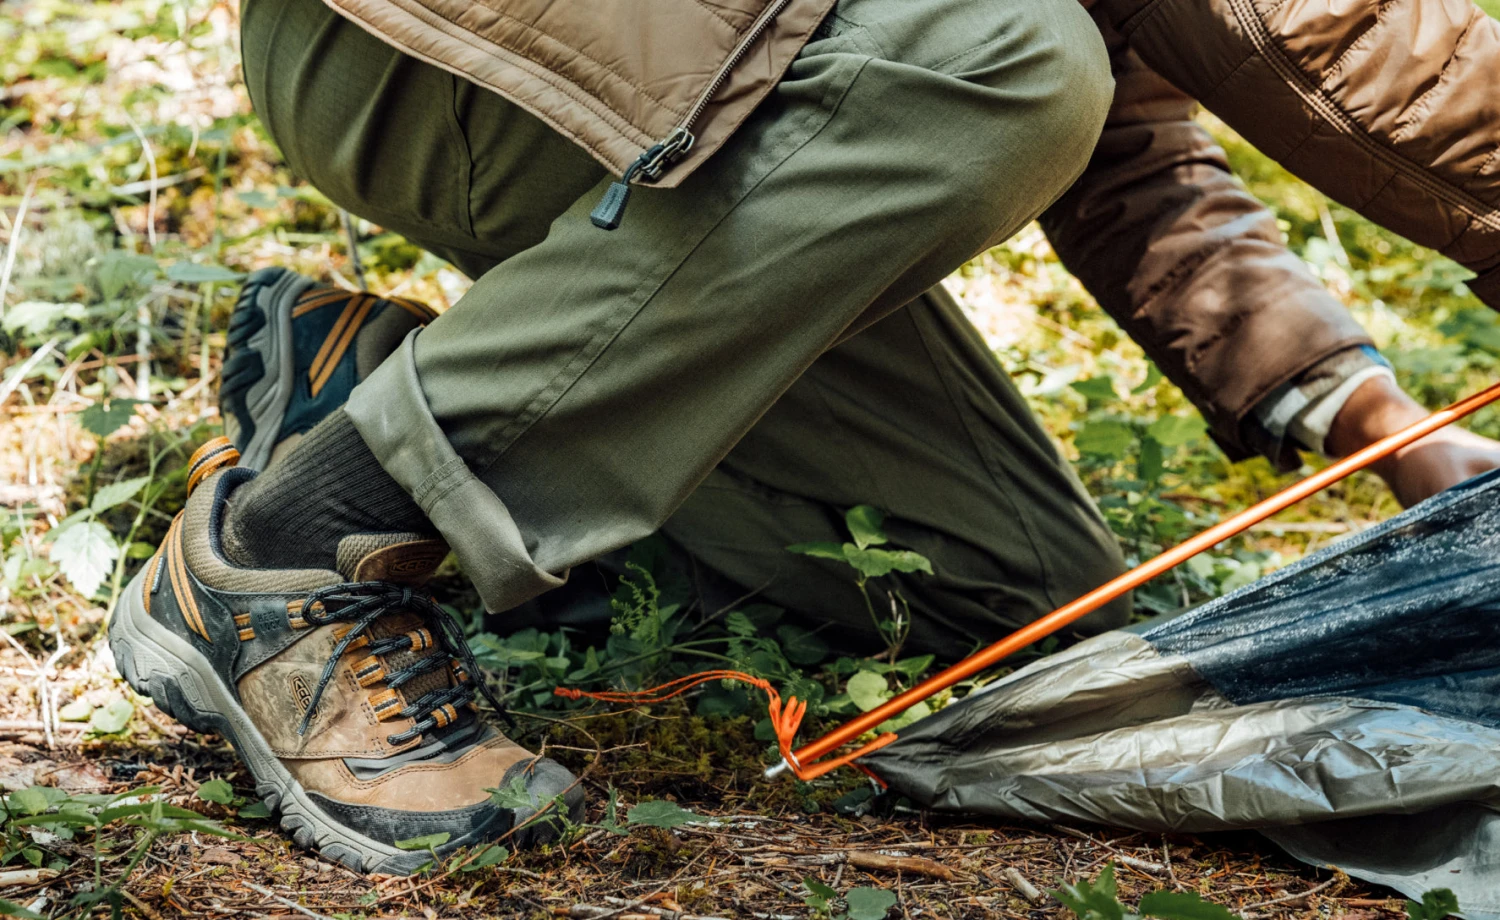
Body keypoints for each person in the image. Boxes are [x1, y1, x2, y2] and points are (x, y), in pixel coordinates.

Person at [107, 0, 1500, 874]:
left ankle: (386, 392)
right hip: (457, 45)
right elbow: (1302, 24)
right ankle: (306, 544)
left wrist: (1376, 420)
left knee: (1018, 602)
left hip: (701, 73)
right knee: (1007, 62)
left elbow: (1133, 130)